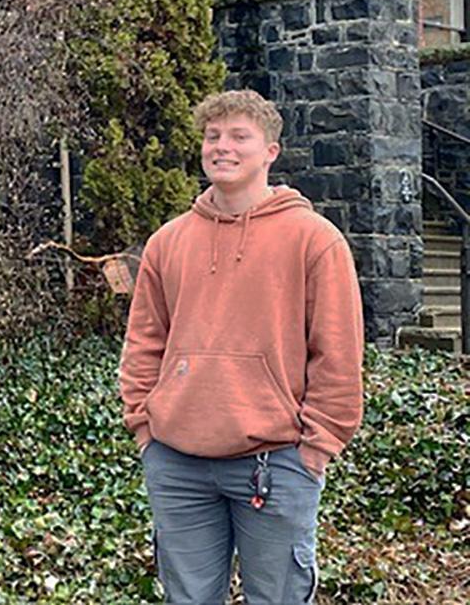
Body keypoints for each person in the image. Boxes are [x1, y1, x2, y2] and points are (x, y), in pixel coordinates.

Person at [118, 89, 364, 604]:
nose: (222, 147)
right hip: (177, 463)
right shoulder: (169, 241)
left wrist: (315, 448)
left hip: (276, 464)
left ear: (270, 151)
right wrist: (145, 427)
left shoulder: (314, 239)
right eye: (213, 136)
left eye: (238, 136)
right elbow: (144, 341)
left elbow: (337, 353)